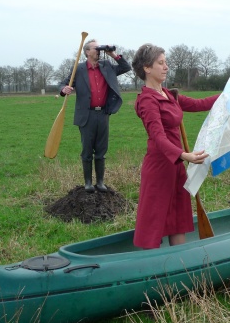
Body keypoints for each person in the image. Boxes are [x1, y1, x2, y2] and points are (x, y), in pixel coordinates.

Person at [130, 43, 221, 249]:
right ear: (146, 68)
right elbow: (158, 137)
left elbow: (200, 104)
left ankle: (180, 265)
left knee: (177, 220)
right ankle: (151, 271)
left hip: (177, 167)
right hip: (160, 169)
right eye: (160, 63)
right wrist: (183, 155)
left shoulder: (170, 95)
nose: (166, 67)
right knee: (153, 225)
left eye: (166, 62)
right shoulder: (147, 100)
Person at [60, 39, 132, 193]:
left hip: (103, 114)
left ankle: (100, 182)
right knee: (87, 150)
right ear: (87, 52)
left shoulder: (107, 67)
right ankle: (88, 182)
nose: (98, 50)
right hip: (86, 115)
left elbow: (126, 67)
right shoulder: (78, 69)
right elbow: (64, 83)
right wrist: (64, 89)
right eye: (95, 48)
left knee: (101, 150)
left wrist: (112, 53)